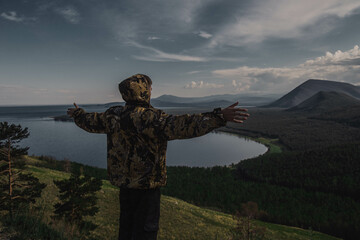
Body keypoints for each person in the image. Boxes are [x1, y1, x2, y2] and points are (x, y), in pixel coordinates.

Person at [67, 74, 249, 240]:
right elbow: (184, 125)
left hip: (125, 187)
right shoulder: (150, 118)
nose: (152, 92)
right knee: (145, 232)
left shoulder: (113, 115)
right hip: (147, 188)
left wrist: (78, 114)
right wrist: (218, 117)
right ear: (142, 91)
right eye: (150, 88)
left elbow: (90, 121)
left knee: (126, 230)